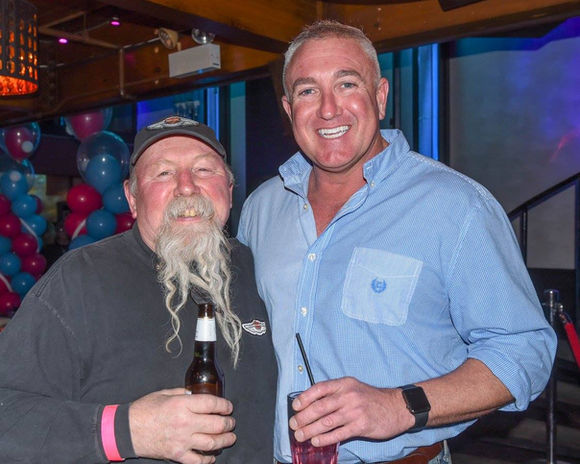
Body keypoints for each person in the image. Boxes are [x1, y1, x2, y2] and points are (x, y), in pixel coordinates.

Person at [237, 20, 557, 464]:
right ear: (289, 110)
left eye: (347, 84)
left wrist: (400, 406)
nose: (328, 109)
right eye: (308, 91)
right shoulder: (261, 208)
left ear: (381, 96)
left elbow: (524, 351)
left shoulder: (455, 205)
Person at [0, 115, 277, 464]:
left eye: (204, 170)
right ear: (132, 198)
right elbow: (8, 417)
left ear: (230, 190)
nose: (187, 187)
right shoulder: (81, 280)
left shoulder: (260, 270)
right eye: (163, 173)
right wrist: (129, 431)